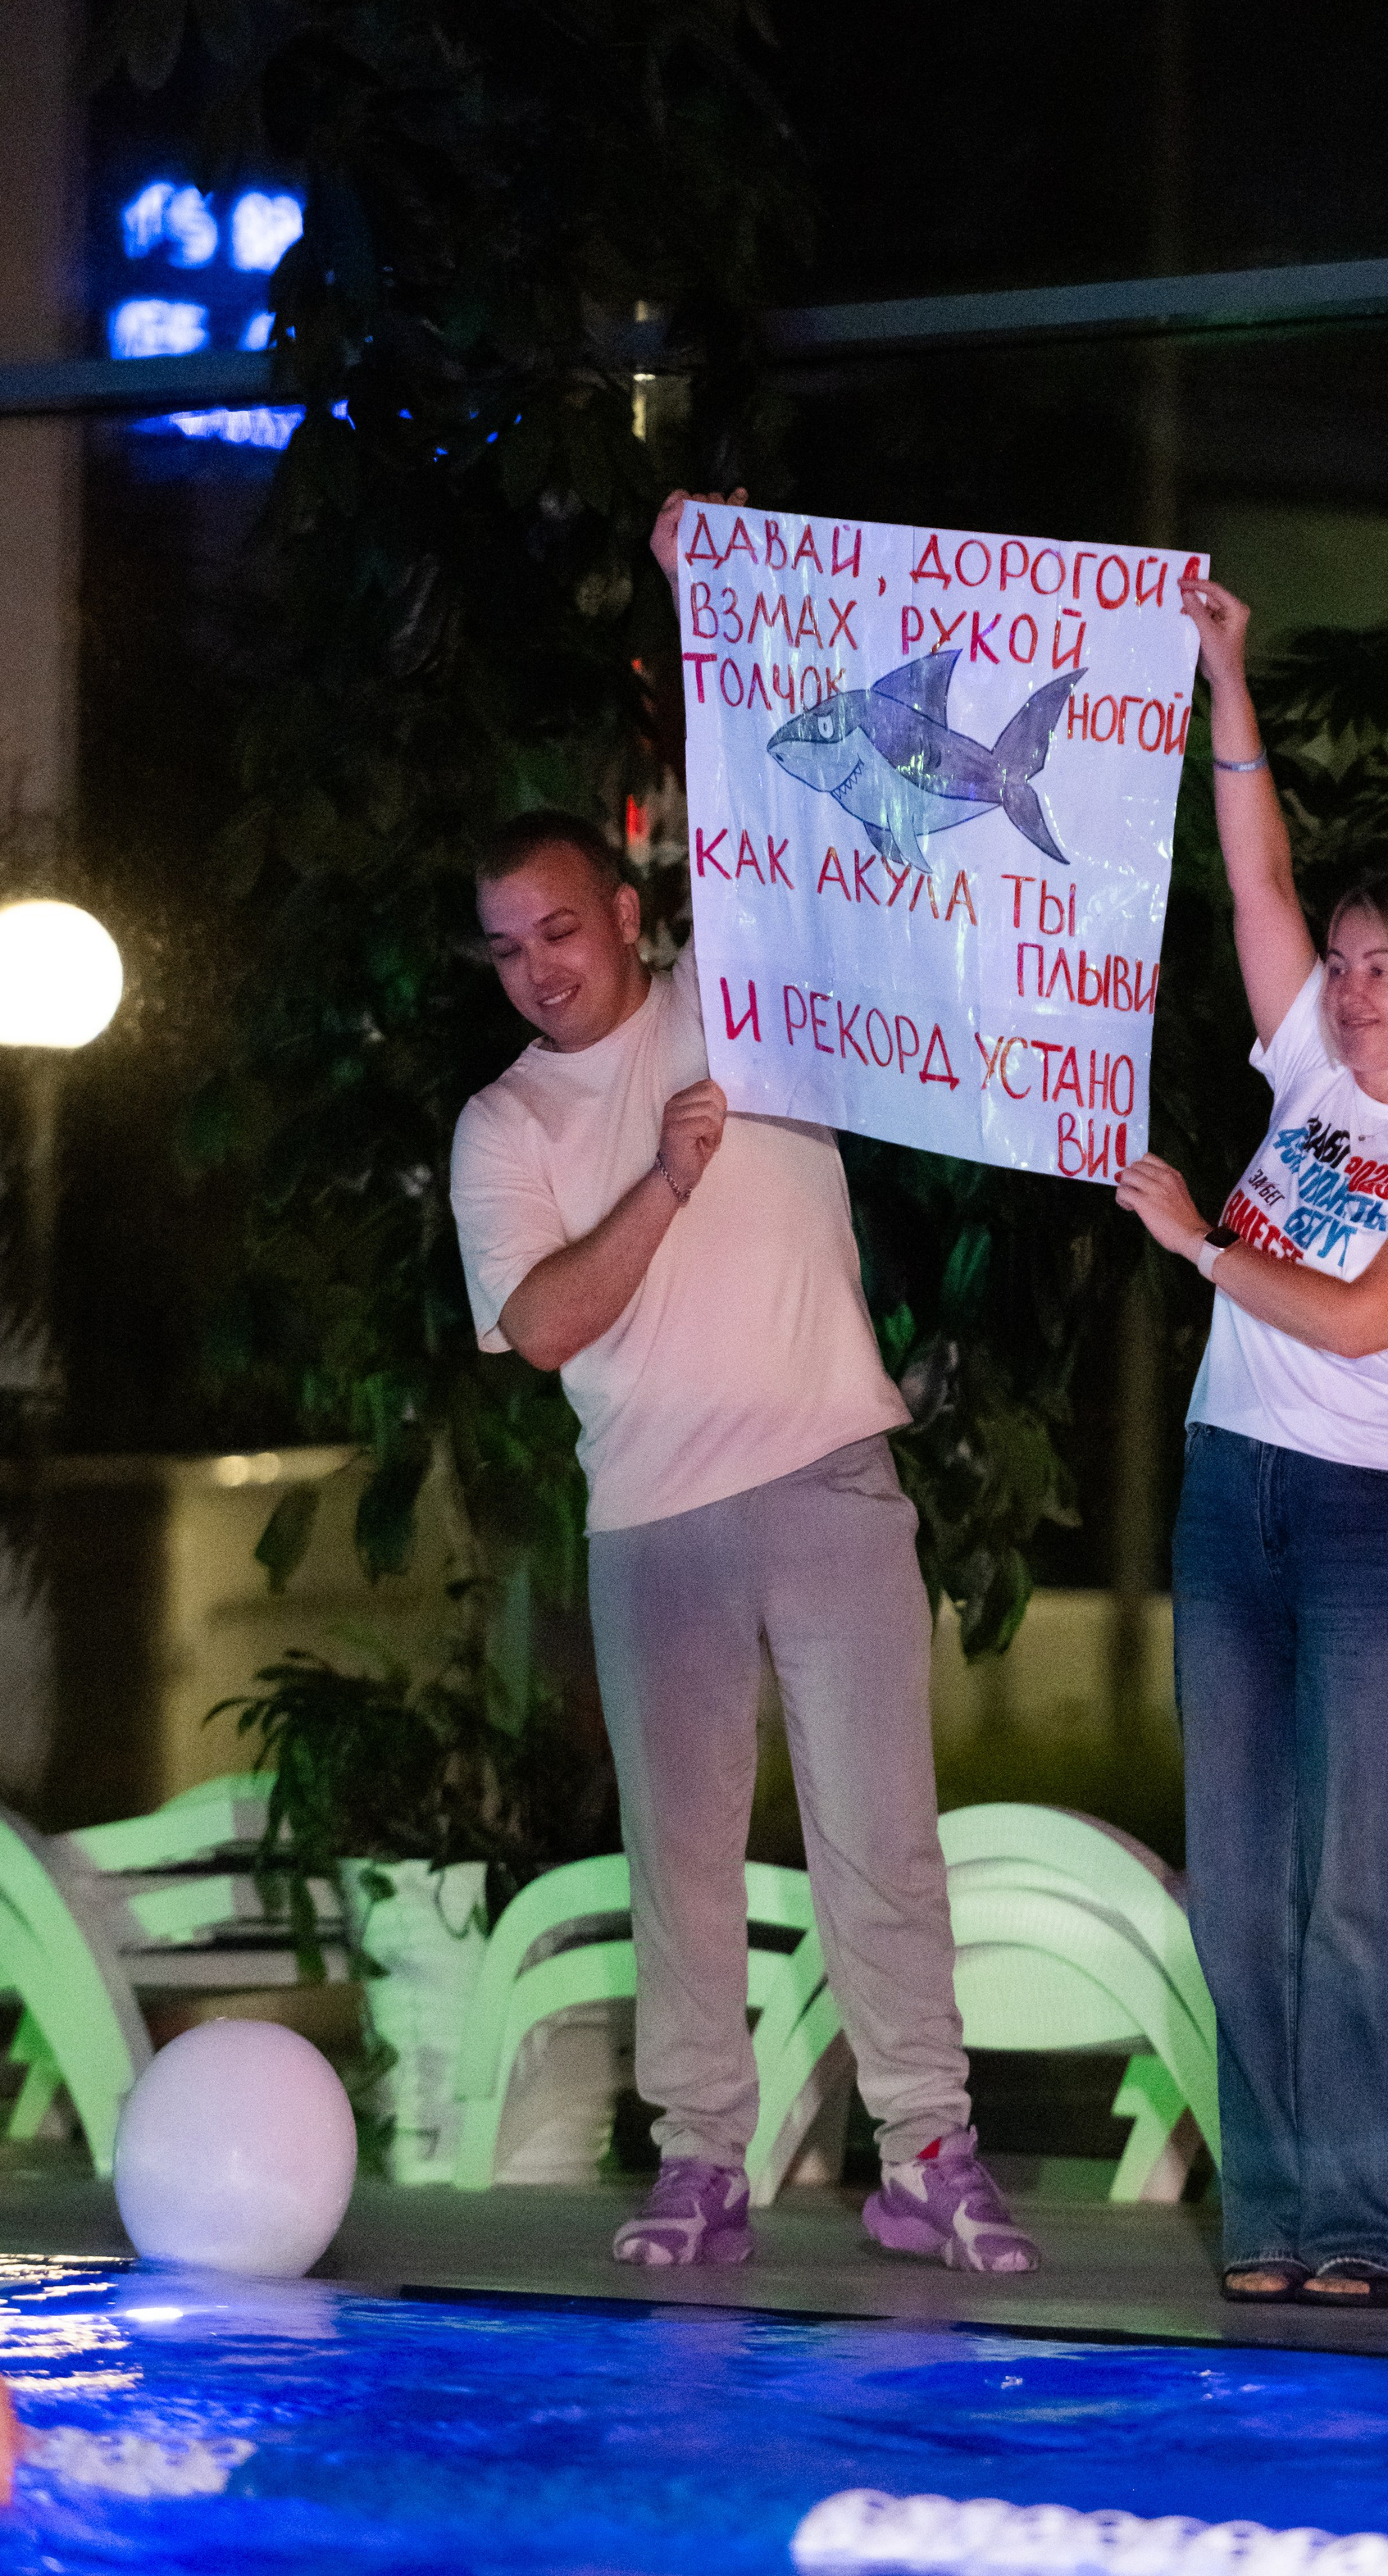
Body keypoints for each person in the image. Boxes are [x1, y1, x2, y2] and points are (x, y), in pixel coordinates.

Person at [444, 492, 1040, 2279]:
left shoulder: (752, 991)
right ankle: (700, 2155)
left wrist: (714, 593)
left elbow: (806, 808)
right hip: (655, 1517)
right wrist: (665, 1181)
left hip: (831, 1477)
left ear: (623, 911)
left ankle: (926, 2147)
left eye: (558, 928)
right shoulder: (501, 1125)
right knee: (681, 1853)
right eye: (504, 948)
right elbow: (540, 1322)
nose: (538, 967)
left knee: (883, 1838)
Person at [1115, 576, 1388, 2310]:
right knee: (1243, 1898)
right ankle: (1276, 2217)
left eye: (1377, 967)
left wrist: (1206, 1246)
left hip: (1367, 1530)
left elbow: (1363, 1320)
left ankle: (1378, 2228)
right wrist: (1225, 670)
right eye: (1340, 967)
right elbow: (1254, 877)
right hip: (1235, 1505)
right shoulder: (1306, 1090)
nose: (1346, 989)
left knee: (1360, 1897)